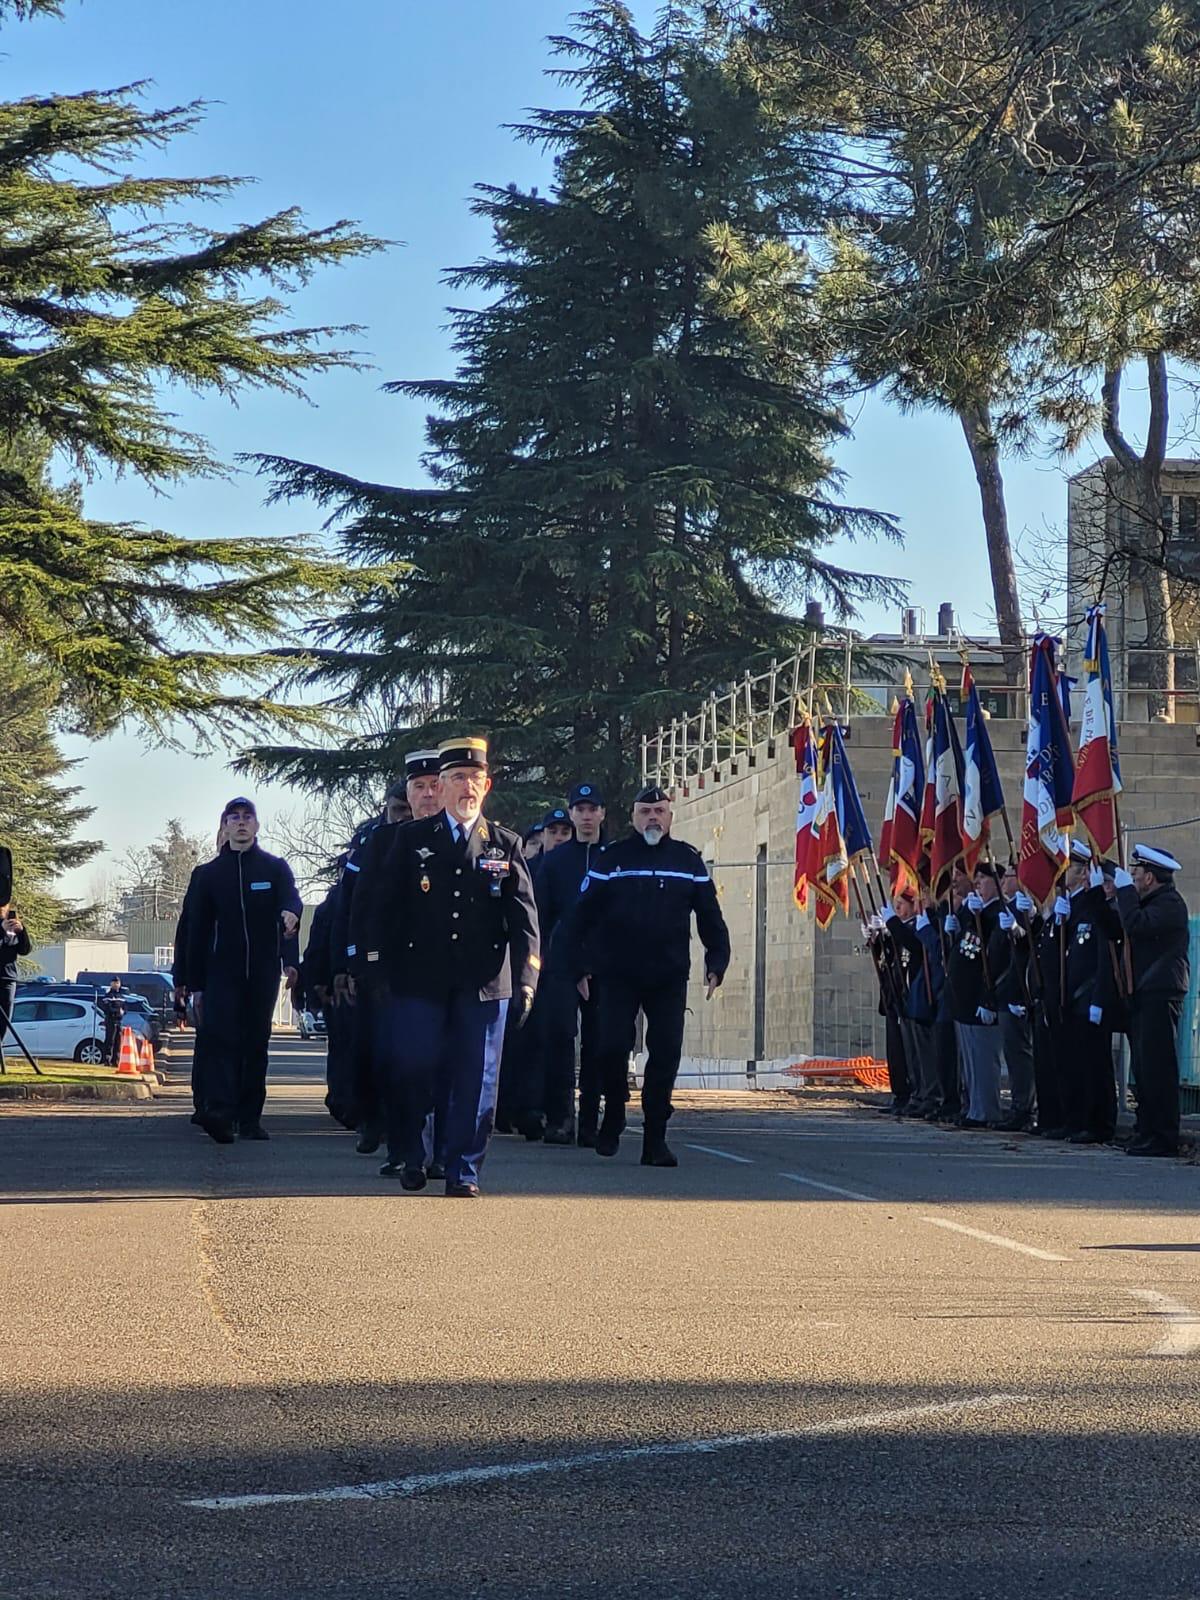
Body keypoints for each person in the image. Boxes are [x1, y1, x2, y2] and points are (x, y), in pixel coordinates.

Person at [351, 737, 540, 1196]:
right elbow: (382, 910)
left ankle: (463, 1171)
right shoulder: (412, 839)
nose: (467, 787)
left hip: (484, 984)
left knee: (477, 1081)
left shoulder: (504, 844)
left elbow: (524, 920)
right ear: (441, 785)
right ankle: (413, 1156)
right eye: (457, 778)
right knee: (414, 1070)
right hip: (421, 981)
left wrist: (527, 978)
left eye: (475, 778)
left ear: (487, 786)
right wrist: (374, 967)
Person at [565, 784, 730, 1167]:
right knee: (610, 1047)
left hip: (668, 975)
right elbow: (581, 917)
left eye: (659, 812)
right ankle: (614, 1111)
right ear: (633, 817)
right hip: (617, 972)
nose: (652, 818)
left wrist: (716, 961)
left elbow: (710, 915)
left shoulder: (687, 861)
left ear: (670, 817)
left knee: (666, 1052)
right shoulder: (613, 859)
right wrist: (578, 965)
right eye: (645, 812)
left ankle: (656, 1138)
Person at [185, 798, 301, 1143]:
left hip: (262, 972)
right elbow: (196, 931)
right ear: (225, 826)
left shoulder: (274, 868)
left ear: (256, 825)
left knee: (255, 1043)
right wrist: (194, 983)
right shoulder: (209, 875)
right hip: (222, 973)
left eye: (247, 817)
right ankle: (221, 1113)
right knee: (222, 1040)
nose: (240, 823)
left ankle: (250, 1118)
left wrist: (291, 918)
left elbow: (291, 900)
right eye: (233, 818)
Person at [517, 783, 608, 1144]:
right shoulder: (554, 862)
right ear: (572, 813)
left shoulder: (612, 857)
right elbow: (540, 915)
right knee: (560, 1039)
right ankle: (561, 1118)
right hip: (561, 964)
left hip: (602, 964)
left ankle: (590, 1121)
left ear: (601, 814)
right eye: (579, 810)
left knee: (599, 1042)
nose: (586, 817)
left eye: (592, 809)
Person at [1103, 843, 1190, 1157]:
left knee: (1158, 1068)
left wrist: (1125, 893)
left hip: (1160, 992)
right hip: (1144, 992)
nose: (1134, 878)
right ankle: (1145, 1130)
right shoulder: (1145, 903)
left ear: (1150, 877)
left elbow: (1137, 926)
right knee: (1143, 1068)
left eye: (1136, 873)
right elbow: (1115, 928)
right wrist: (1104, 898)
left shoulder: (1169, 904)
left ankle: (1163, 1136)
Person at [944, 863, 1009, 1128]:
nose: (978, 882)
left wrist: (987, 999)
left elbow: (996, 959)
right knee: (971, 1060)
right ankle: (974, 1108)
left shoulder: (997, 913)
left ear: (998, 881)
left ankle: (986, 1111)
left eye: (984, 878)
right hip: (964, 998)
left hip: (980, 997)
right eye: (977, 878)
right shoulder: (977, 912)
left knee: (983, 1059)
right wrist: (959, 924)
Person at [173, 821, 226, 1125]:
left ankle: (234, 1106)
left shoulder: (261, 872)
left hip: (240, 973)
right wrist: (182, 979)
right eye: (223, 834)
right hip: (205, 974)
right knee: (208, 1041)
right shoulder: (203, 875)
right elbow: (187, 930)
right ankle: (204, 1102)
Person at [884, 887, 945, 1121]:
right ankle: (918, 1094)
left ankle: (929, 1095)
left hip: (922, 997)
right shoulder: (907, 927)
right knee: (912, 1054)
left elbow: (915, 946)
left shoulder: (919, 927)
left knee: (925, 1054)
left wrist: (892, 924)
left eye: (903, 902)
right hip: (904, 998)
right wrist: (879, 939)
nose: (898, 906)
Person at [995, 862, 1038, 1132]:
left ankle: (1025, 1107)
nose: (1005, 880)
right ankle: (1019, 1106)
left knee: (1022, 1055)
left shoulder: (1025, 909)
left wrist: (1022, 926)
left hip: (1021, 993)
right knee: (1013, 1055)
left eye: (1010, 875)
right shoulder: (1009, 909)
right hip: (1007, 991)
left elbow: (1027, 953)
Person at [0, 903, 31, 1050]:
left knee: (4, 1019)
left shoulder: (13, 927)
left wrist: (22, 931)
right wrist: (2, 930)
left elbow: (24, 950)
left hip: (8, 979)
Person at [99, 978, 127, 1067]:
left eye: (117, 983)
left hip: (119, 1021)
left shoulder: (121, 996)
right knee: (110, 1040)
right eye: (114, 983)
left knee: (118, 1041)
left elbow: (125, 1008)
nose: (116, 984)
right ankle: (107, 1059)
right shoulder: (108, 996)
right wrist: (117, 1011)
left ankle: (116, 1060)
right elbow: (107, 1008)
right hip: (110, 1020)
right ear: (111, 984)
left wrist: (122, 1012)